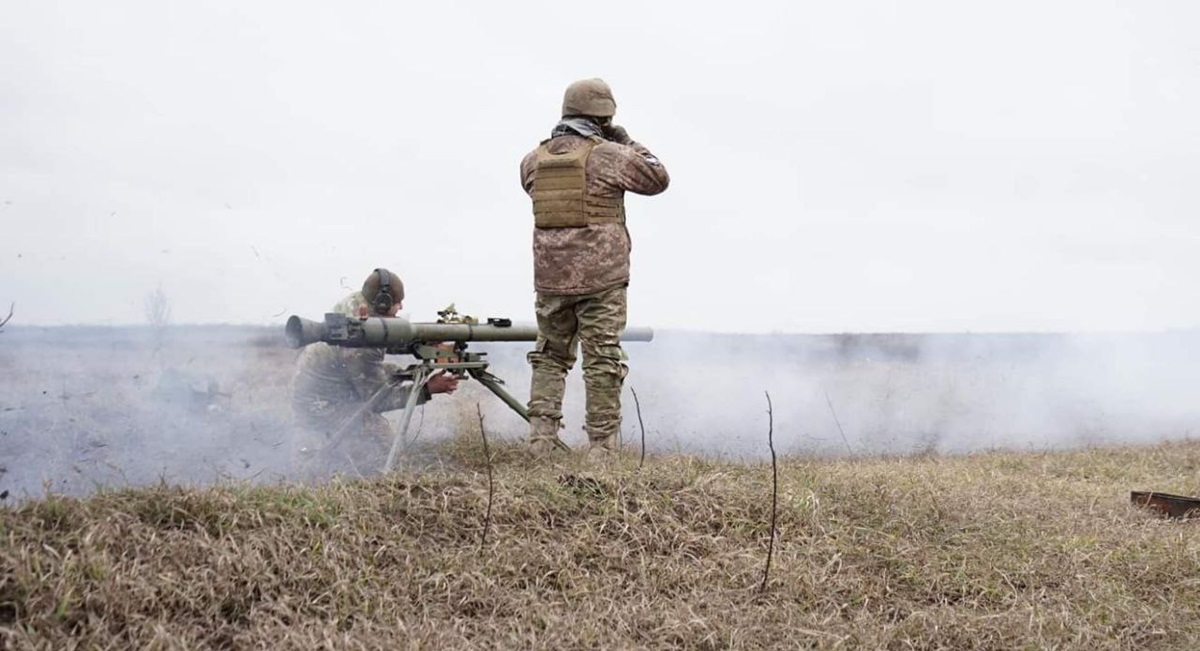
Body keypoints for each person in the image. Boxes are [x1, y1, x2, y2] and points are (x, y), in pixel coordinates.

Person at [519, 78, 670, 457]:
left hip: (551, 279)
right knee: (602, 358)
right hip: (601, 279)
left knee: (550, 357)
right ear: (604, 115)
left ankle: (541, 440)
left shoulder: (532, 159)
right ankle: (602, 447)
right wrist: (627, 143)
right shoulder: (608, 155)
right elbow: (657, 178)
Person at [290, 268, 459, 475]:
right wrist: (428, 389)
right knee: (384, 449)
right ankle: (340, 463)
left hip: (326, 382)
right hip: (322, 402)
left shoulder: (359, 305)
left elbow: (385, 339)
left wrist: (423, 343)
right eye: (398, 302)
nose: (401, 306)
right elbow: (378, 400)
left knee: (394, 371)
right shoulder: (362, 339)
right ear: (383, 302)